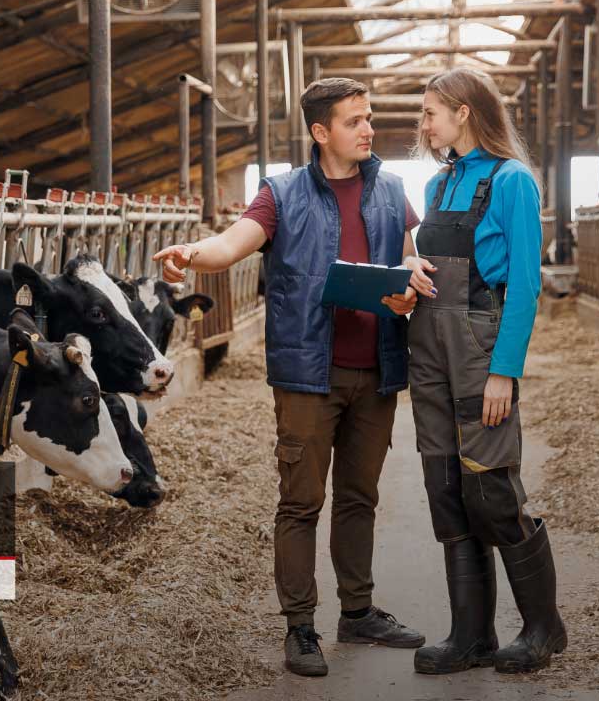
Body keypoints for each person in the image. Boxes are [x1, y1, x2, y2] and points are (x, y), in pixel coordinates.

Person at [153, 77, 424, 678]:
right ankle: (300, 625)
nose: (368, 130)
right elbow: (230, 245)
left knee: (360, 498)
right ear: (321, 131)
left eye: (369, 118)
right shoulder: (281, 193)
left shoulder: (394, 192)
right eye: (355, 121)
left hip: (376, 368)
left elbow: (406, 255)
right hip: (309, 374)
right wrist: (190, 253)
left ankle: (357, 611)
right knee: (301, 502)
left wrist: (409, 285)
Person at [406, 67, 564, 675]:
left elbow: (525, 285)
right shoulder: (440, 184)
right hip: (430, 348)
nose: (424, 123)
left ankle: (544, 628)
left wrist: (505, 371)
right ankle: (471, 636)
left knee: (492, 491)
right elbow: (428, 266)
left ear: (464, 112)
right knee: (445, 490)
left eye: (430, 112)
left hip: (479, 348)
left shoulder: (513, 181)